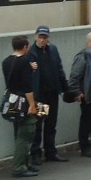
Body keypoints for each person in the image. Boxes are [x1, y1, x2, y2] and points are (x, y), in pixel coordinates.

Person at [26, 25, 69, 164]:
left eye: (45, 37)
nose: (42, 40)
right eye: (40, 37)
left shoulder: (53, 50)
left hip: (52, 93)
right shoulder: (31, 52)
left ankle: (51, 151)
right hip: (40, 95)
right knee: (38, 125)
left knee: (51, 124)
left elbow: (59, 68)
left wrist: (65, 88)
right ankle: (36, 153)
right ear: (35, 37)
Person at [2, 35, 40, 178]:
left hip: (13, 101)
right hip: (24, 101)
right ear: (25, 47)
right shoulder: (24, 61)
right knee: (26, 132)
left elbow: (14, 77)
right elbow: (27, 86)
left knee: (18, 131)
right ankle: (19, 167)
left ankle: (24, 163)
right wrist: (32, 105)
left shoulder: (6, 61)